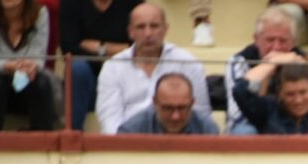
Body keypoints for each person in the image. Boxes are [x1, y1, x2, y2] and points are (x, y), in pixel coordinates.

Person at [94, 3, 209, 134]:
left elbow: (201, 115)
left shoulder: (188, 62)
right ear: (130, 32)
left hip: (179, 144)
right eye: (141, 27)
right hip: (128, 144)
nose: (148, 33)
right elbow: (110, 121)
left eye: (154, 26)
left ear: (166, 29)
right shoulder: (113, 67)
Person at [0, 0, 56, 131]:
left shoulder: (40, 13)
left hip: (22, 82)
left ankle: (44, 144)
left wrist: (31, 66)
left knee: (41, 83)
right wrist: (11, 66)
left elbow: (39, 58)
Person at [225, 7, 308, 135]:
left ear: (294, 42)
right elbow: (238, 115)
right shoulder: (239, 61)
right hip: (250, 125)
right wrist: (269, 66)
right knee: (244, 131)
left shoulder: (301, 59)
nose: (276, 47)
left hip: (291, 125)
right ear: (256, 39)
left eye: (283, 41)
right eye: (270, 40)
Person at [59, 0, 140, 130]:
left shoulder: (133, 3)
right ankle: (72, 135)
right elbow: (69, 50)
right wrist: (117, 51)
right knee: (77, 68)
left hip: (123, 78)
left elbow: (138, 49)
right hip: (88, 83)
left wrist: (100, 48)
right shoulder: (71, 3)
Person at [117, 71, 218, 133]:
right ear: (155, 103)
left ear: (192, 103)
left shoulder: (206, 129)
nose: (175, 116)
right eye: (168, 108)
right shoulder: (131, 131)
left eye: (182, 108)